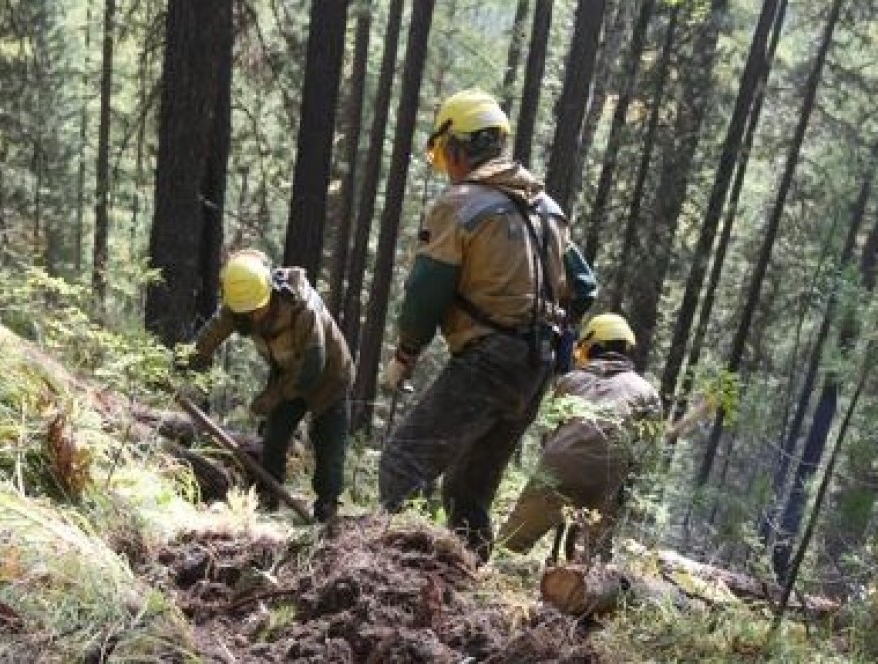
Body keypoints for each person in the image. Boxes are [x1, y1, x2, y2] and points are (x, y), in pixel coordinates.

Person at [378, 89, 597, 562]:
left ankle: (393, 574)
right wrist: (549, 327)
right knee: (468, 488)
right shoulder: (547, 209)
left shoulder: (459, 204)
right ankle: (467, 583)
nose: (446, 165)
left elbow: (426, 292)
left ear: (455, 147)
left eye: (443, 155)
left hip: (489, 361)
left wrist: (405, 354)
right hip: (536, 366)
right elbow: (585, 286)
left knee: (404, 460)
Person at [184, 249, 354, 523]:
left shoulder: (302, 309)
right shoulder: (241, 303)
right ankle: (268, 499)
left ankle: (327, 509)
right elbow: (212, 332)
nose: (252, 317)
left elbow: (313, 366)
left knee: (328, 445)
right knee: (274, 437)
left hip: (329, 376)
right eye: (246, 312)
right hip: (287, 373)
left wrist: (272, 396)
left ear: (270, 291)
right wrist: (185, 360)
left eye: (256, 310)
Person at [498, 313, 662, 562]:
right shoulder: (647, 392)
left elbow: (550, 432)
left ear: (592, 346)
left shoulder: (569, 381)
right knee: (593, 564)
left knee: (510, 544)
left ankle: (484, 577)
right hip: (607, 476)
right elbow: (644, 450)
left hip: (557, 466)